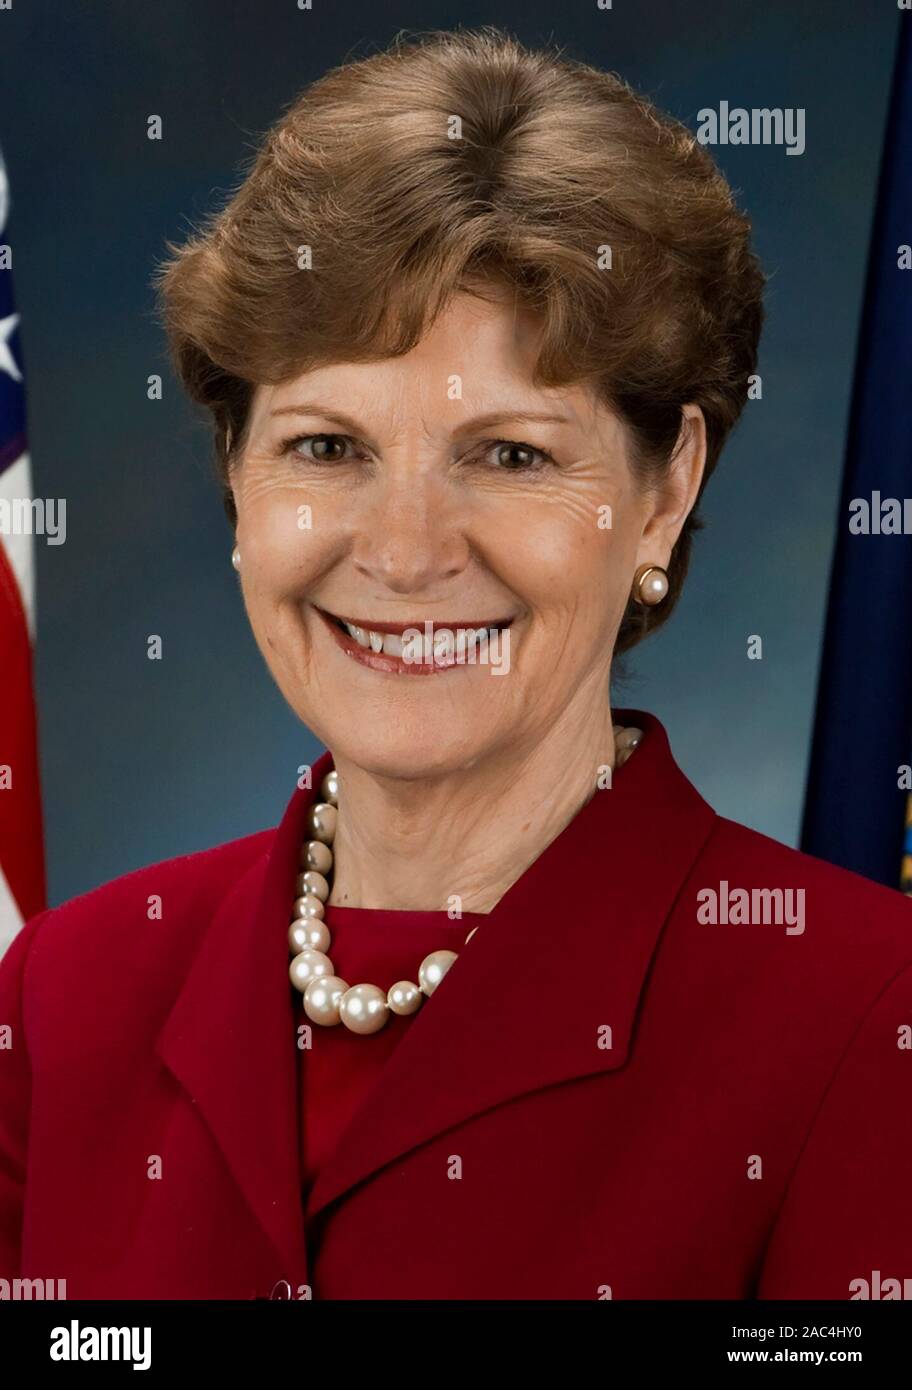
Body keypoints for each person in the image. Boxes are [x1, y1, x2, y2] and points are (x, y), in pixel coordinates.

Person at [1, 27, 910, 1301]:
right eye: (326, 448)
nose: (407, 550)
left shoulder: (865, 1012)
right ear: (236, 476)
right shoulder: (67, 994)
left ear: (665, 492)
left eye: (512, 454)